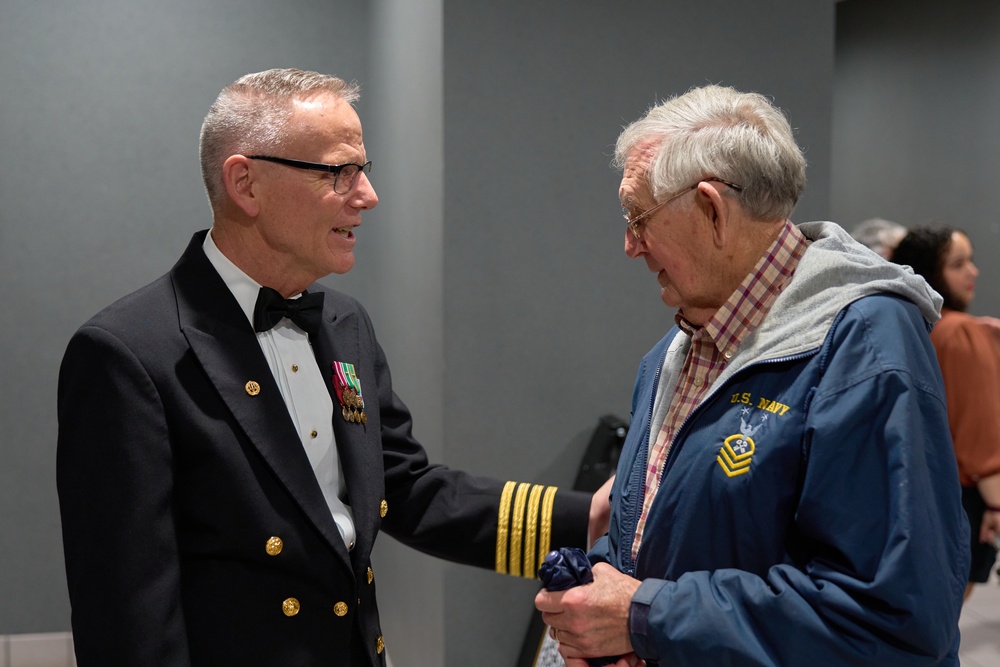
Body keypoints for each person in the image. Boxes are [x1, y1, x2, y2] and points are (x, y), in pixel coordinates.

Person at [56, 68, 608, 667]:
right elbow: (128, 618)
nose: (367, 194)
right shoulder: (130, 353)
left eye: (364, 170)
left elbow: (404, 488)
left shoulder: (345, 325)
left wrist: (585, 517)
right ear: (246, 184)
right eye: (339, 172)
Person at [535, 85, 969, 666]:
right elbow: (648, 537)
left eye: (637, 218)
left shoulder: (864, 347)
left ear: (713, 210)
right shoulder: (673, 353)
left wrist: (646, 617)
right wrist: (602, 595)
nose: (630, 245)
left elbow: (893, 620)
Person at [891, 226, 1000, 602]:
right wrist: (997, 502)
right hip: (963, 497)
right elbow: (980, 431)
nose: (973, 272)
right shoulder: (965, 332)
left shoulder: (903, 324)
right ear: (930, 272)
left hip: (908, 490)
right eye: (959, 264)